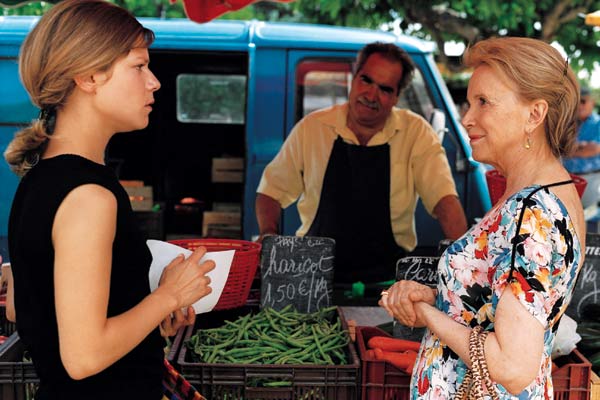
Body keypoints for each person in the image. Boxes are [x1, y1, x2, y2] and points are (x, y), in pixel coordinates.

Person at [4, 1, 215, 399]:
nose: (153, 82)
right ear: (88, 76)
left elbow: (33, 310)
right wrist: (169, 294)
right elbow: (83, 357)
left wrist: (150, 314)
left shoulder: (44, 177)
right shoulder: (89, 197)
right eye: (139, 66)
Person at [379, 36, 584, 399]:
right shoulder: (546, 192)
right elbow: (501, 301)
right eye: (470, 101)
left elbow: (512, 368)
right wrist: (437, 293)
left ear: (534, 115)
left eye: (484, 102)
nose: (467, 118)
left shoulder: (531, 212)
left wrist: (427, 313)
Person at [255, 42, 468, 285]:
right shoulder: (312, 128)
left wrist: (463, 262)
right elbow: (271, 191)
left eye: (385, 89)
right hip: (312, 278)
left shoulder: (416, 133)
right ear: (354, 77)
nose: (370, 95)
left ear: (396, 96)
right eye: (366, 80)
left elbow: (444, 200)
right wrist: (268, 234)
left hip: (386, 282)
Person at [563, 86, 600, 208]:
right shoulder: (568, 122)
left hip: (591, 179)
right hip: (568, 179)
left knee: (591, 218)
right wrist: (581, 147)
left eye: (583, 101)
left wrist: (569, 150)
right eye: (577, 101)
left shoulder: (598, 123)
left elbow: (594, 149)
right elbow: (560, 146)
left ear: (592, 103)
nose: (580, 105)